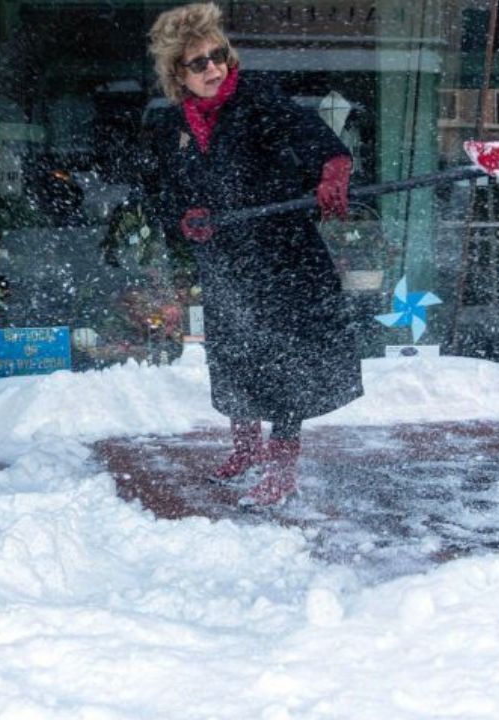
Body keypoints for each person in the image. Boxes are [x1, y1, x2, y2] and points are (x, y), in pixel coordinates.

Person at [146, 3, 363, 507]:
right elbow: (171, 189)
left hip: (281, 254)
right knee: (234, 355)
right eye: (198, 62)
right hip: (225, 260)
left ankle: (282, 468)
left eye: (217, 55)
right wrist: (186, 216)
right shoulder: (177, 125)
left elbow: (314, 139)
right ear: (178, 73)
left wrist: (332, 172)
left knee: (285, 360)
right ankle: (245, 450)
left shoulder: (256, 98)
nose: (213, 68)